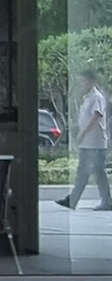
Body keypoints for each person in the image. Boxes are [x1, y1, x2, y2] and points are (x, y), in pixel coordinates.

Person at [56, 69, 111, 210]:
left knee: (96, 172)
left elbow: (96, 116)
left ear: (91, 81)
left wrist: (82, 133)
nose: (82, 84)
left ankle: (105, 202)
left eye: (83, 81)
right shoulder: (87, 97)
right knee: (87, 172)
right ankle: (74, 200)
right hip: (89, 143)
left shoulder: (96, 97)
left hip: (95, 143)